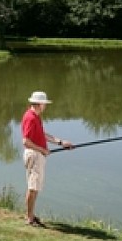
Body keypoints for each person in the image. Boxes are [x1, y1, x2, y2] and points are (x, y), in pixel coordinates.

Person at [21, 91, 74, 227]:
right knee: (33, 188)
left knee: (35, 187)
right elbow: (26, 141)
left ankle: (31, 215)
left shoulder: (36, 116)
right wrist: (42, 150)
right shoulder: (30, 117)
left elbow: (41, 134)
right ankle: (29, 218)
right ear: (39, 104)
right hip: (34, 155)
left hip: (38, 155)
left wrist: (61, 142)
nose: (45, 106)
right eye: (44, 103)